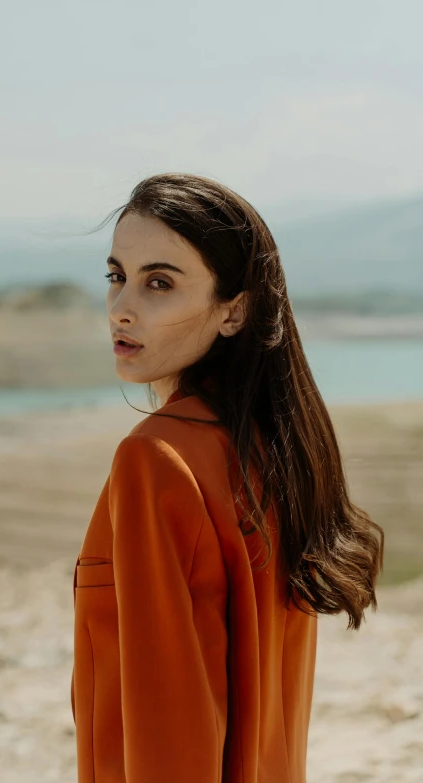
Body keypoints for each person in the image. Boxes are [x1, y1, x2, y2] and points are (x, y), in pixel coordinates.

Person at [70, 172, 384, 783]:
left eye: (159, 282)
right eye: (117, 277)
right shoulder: (278, 451)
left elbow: (169, 711)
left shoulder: (156, 460)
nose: (122, 308)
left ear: (234, 310)